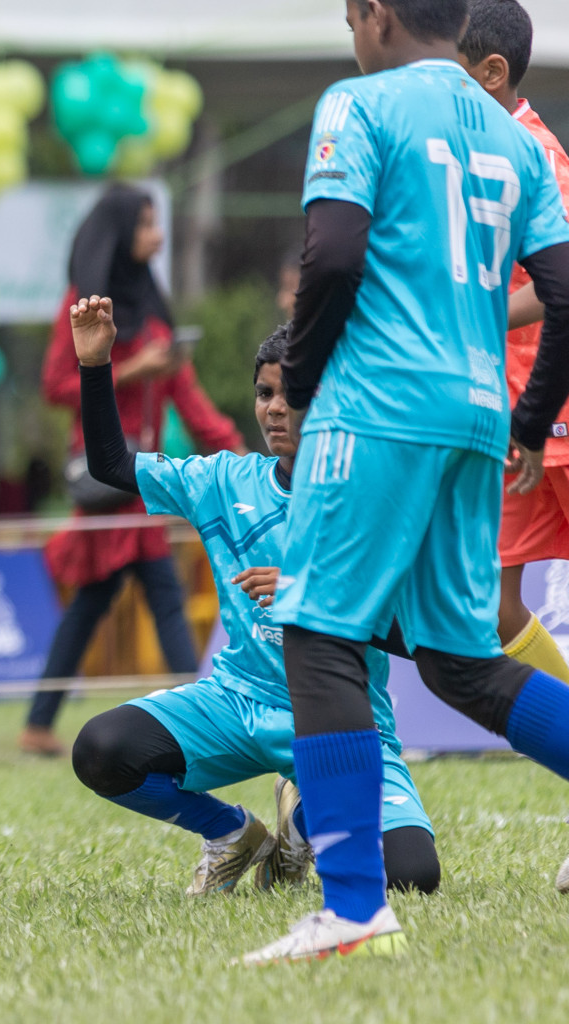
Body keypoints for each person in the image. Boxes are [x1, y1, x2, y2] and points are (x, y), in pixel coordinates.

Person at [245, 0, 569, 964]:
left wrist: (300, 390)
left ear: (374, 14)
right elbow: (563, 289)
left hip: (376, 409)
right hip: (476, 414)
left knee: (316, 631)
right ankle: (352, 905)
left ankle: (351, 909)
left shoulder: (361, 104)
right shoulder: (509, 132)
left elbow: (333, 252)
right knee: (459, 659)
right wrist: (525, 417)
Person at [69, 304, 439, 896]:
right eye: (265, 392)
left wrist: (305, 594)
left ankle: (304, 817)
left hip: (342, 718)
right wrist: (95, 363)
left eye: (291, 393)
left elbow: (423, 639)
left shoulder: (374, 504)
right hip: (236, 702)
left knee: (412, 878)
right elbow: (108, 465)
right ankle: (232, 832)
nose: (273, 408)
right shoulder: (225, 481)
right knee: (101, 750)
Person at [21, 185, 245, 757]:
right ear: (121, 232)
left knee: (124, 598)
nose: (158, 235)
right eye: (147, 224)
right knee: (127, 598)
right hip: (105, 479)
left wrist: (241, 456)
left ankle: (41, 721)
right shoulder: (83, 304)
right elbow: (56, 386)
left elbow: (188, 398)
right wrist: (127, 368)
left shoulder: (152, 304)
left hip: (144, 481)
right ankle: (198, 713)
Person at [458, 0, 569, 686]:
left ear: (493, 72)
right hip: (508, 421)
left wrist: (474, 312)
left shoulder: (536, 153)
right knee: (494, 607)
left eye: (448, 72)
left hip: (556, 411)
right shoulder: (468, 158)